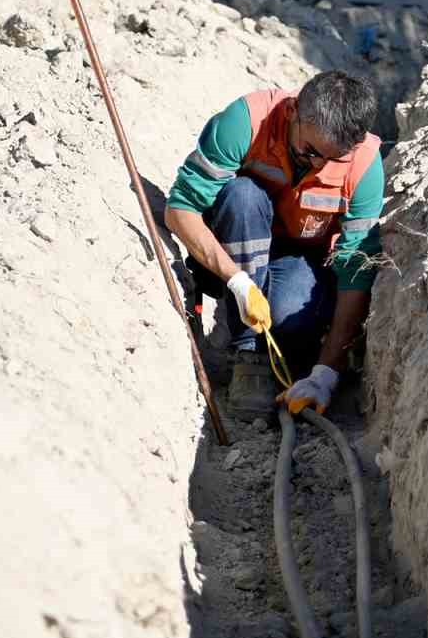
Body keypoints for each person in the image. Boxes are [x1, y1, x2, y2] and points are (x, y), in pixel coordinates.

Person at [164, 72, 385, 416]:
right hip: (237, 238)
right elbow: (180, 210)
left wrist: (325, 373)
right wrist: (237, 280)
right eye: (310, 151)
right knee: (241, 195)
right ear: (293, 111)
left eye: (332, 158)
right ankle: (248, 351)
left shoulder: (364, 163)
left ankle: (290, 345)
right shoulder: (247, 121)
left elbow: (355, 271)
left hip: (300, 256)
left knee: (288, 312)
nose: (318, 165)